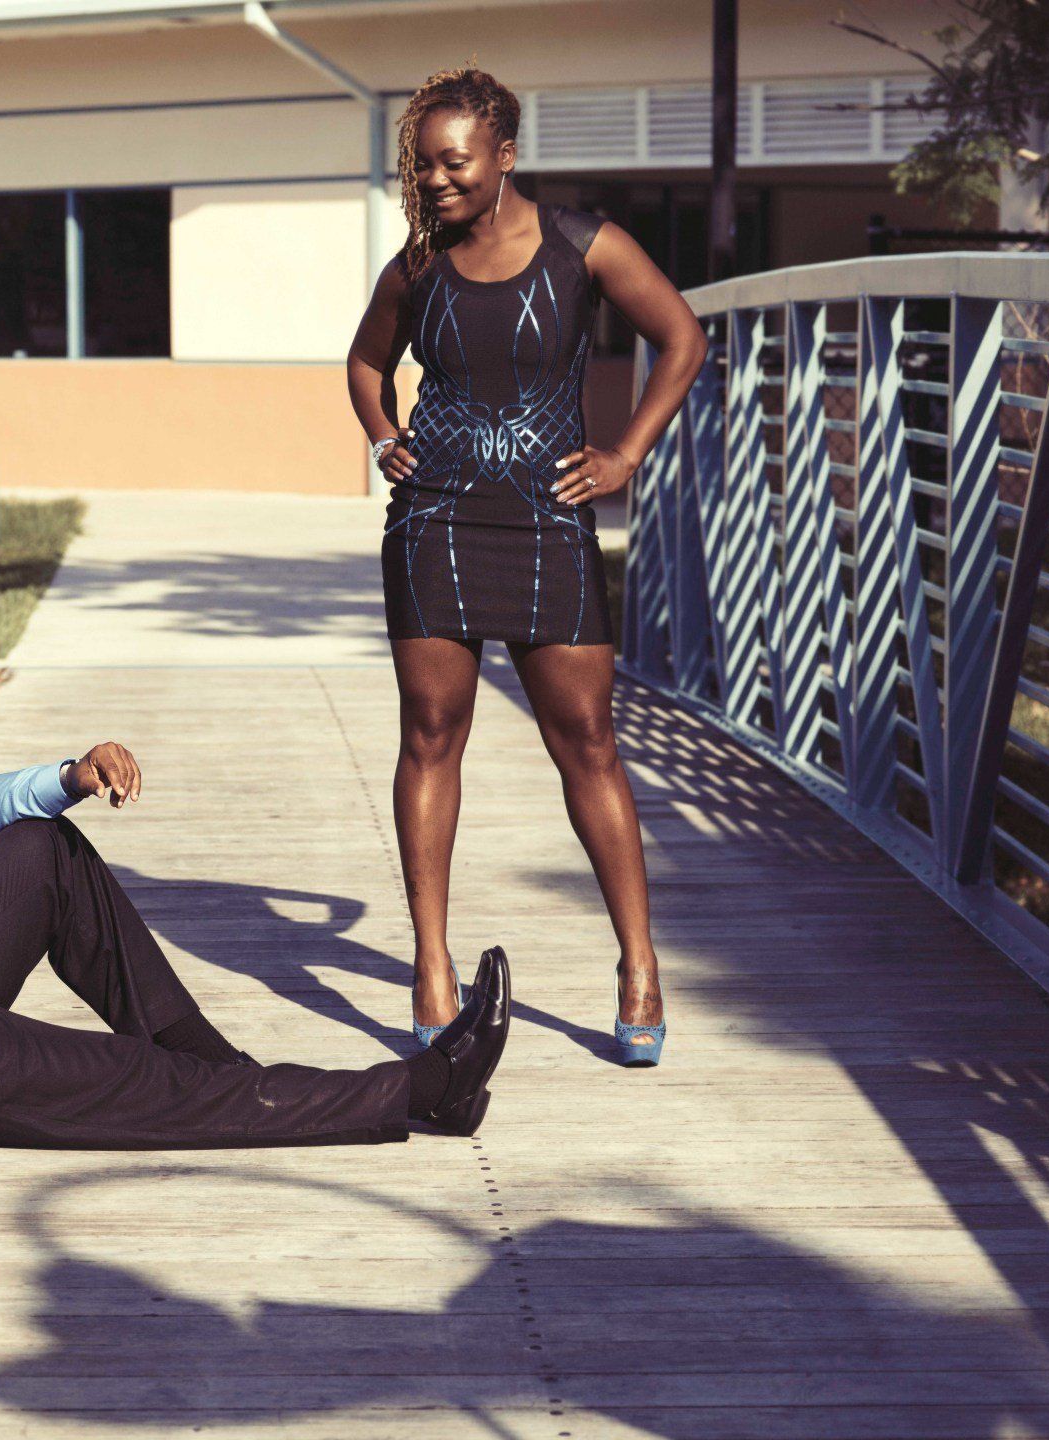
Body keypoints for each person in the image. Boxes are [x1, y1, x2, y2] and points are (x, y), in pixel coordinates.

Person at [0, 604, 513, 1153]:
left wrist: (69, 775)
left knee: (43, 847)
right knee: (138, 1087)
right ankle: (425, 1088)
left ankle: (225, 1069)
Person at [344, 66, 706, 1065]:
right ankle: (430, 964)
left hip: (549, 523)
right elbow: (366, 363)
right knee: (430, 733)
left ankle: (637, 964)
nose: (439, 182)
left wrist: (626, 454)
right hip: (436, 520)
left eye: (455, 164)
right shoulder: (417, 268)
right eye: (425, 167)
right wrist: (383, 436)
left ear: (506, 153)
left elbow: (682, 339)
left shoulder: (588, 248)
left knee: (588, 738)